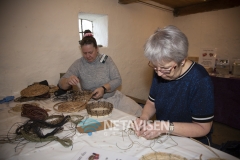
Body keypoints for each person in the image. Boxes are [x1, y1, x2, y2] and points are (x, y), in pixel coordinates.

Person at [133, 25, 214, 145]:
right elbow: (152, 102)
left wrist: (165, 127)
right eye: (155, 67)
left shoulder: (200, 79)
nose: (159, 73)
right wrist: (144, 118)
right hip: (164, 136)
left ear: (182, 60)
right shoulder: (161, 69)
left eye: (165, 68)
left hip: (192, 142)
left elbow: (203, 128)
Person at [58, 30, 142, 117]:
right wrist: (68, 81)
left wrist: (103, 89)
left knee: (139, 112)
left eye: (90, 52)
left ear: (97, 49)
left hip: (113, 98)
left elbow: (118, 80)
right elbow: (61, 83)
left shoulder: (106, 60)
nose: (88, 56)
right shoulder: (79, 64)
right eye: (84, 53)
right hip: (93, 103)